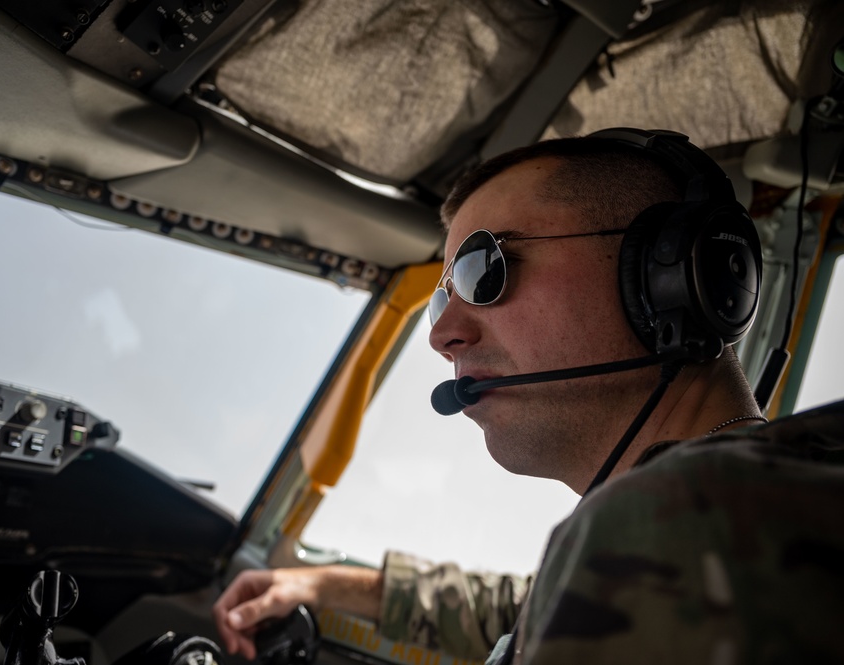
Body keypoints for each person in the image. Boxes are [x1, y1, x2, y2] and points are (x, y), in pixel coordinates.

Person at [213, 128, 844, 663]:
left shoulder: (688, 526)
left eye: (483, 269)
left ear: (669, 278)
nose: (441, 335)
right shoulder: (668, 546)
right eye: (440, 298)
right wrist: (317, 583)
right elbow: (522, 606)